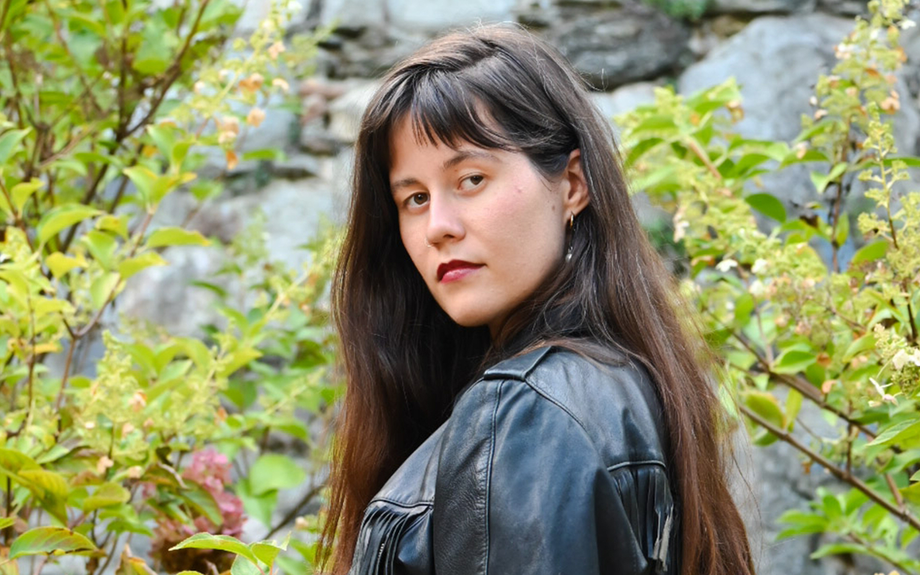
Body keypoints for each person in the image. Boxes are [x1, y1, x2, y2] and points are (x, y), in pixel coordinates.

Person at [321, 24, 754, 575]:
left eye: (471, 179)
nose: (438, 227)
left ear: (572, 184)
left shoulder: (528, 412)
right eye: (415, 198)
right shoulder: (622, 381)